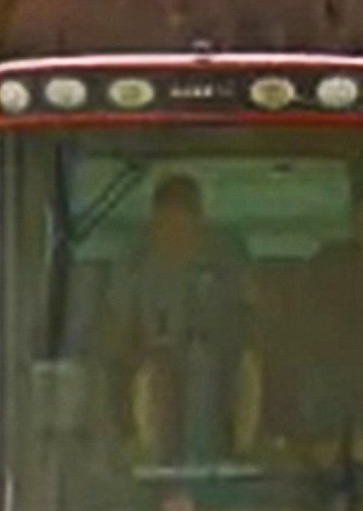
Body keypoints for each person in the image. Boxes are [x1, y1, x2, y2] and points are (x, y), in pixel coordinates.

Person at [109, 174, 263, 463]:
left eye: (182, 225)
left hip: (220, 371)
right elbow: (119, 328)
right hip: (153, 373)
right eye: (165, 225)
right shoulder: (135, 263)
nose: (174, 235)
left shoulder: (227, 257)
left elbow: (250, 317)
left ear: (198, 222)